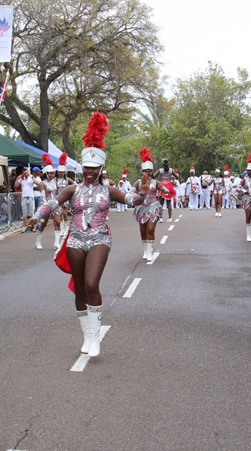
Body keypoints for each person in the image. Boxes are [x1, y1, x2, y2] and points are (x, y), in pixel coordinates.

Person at [27, 112, 149, 358]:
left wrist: (143, 194)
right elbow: (52, 203)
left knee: (92, 284)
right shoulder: (72, 189)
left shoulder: (109, 190)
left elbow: (131, 200)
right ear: (82, 168)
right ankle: (88, 335)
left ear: (101, 169)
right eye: (86, 168)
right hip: (75, 240)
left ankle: (96, 337)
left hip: (99, 238)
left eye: (94, 168)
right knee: (81, 288)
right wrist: (37, 216)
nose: (90, 171)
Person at [133, 148, 170, 260]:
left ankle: (150, 252)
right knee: (142, 230)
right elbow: (131, 192)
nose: (148, 173)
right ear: (142, 171)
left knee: (150, 229)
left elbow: (163, 189)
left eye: (149, 171)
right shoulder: (138, 182)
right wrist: (133, 194)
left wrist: (165, 190)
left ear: (152, 171)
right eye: (146, 171)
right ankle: (145, 250)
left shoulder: (155, 182)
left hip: (153, 208)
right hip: (141, 208)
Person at [36, 153, 60, 250]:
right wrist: (46, 206)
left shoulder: (55, 182)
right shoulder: (42, 183)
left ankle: (56, 243)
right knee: (43, 224)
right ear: (46, 174)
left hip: (55, 204)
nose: (52, 175)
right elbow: (43, 196)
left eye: (52, 173)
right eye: (50, 173)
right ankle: (38, 240)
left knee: (57, 222)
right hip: (46, 204)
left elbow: (57, 193)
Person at [154, 158, 177, 222]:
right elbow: (177, 176)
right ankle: (170, 218)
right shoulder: (171, 170)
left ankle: (161, 218)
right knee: (169, 203)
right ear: (168, 164)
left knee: (161, 203)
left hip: (162, 186)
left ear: (162, 164)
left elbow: (154, 176)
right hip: (169, 186)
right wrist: (173, 177)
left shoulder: (160, 170)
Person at [15, 167, 37, 231]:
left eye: (27, 173)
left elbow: (38, 183)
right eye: (24, 173)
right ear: (23, 174)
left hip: (30, 197)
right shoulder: (22, 179)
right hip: (24, 197)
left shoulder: (31, 178)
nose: (26, 174)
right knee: (24, 213)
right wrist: (18, 178)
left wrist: (32, 177)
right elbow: (16, 185)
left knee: (31, 213)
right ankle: (26, 226)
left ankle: (33, 226)